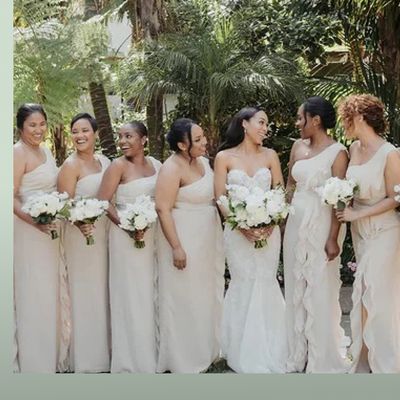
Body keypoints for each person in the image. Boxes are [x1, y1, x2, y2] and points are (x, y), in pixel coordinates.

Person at [214, 106, 287, 373]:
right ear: (244, 124)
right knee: (244, 281)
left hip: (269, 232)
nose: (265, 128)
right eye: (261, 122)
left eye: (266, 124)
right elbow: (220, 197)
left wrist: (271, 222)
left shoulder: (271, 155)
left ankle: (274, 346)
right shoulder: (223, 157)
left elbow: (279, 191)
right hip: (236, 232)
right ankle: (238, 348)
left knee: (265, 281)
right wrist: (240, 224)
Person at [283, 96, 350, 373]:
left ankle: (322, 356)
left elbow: (341, 199)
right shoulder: (297, 147)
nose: (298, 123)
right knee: (295, 284)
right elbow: (289, 185)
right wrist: (282, 217)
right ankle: (297, 353)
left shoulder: (338, 152)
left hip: (323, 223)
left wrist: (333, 237)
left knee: (320, 286)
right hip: (296, 220)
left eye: (301, 118)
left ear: (316, 120)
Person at [155, 118, 225, 373]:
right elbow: (163, 208)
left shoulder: (204, 163)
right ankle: (183, 357)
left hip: (207, 237)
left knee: (205, 294)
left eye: (203, 136)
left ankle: (207, 349)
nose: (205, 141)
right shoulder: (171, 168)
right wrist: (176, 247)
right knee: (184, 296)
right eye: (198, 139)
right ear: (183, 145)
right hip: (183, 236)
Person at [336, 94, 400, 373]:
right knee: (364, 294)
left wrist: (358, 214)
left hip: (384, 231)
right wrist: (342, 200)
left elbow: (396, 198)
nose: (344, 124)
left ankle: (385, 361)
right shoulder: (353, 149)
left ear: (359, 117)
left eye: (346, 118)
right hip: (360, 232)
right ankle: (363, 358)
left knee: (375, 292)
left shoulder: (389, 153)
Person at [97, 121, 160, 373]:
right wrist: (127, 226)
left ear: (143, 139)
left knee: (150, 290)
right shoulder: (117, 166)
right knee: (131, 294)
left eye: (129, 136)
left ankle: (154, 352)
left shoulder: (156, 165)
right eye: (120, 136)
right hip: (125, 237)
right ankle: (132, 360)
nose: (122, 141)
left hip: (152, 235)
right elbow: (103, 201)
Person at [57, 113, 111, 372]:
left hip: (104, 233)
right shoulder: (70, 166)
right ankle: (87, 358)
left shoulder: (105, 161)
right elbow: (63, 204)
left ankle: (107, 352)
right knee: (85, 291)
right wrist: (79, 221)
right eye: (75, 131)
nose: (79, 136)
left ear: (95, 133)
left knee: (104, 289)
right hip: (80, 235)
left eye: (85, 130)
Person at [13, 103, 63, 372]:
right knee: (31, 288)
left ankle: (50, 354)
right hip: (27, 229)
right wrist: (34, 222)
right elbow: (9, 197)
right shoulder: (17, 153)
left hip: (48, 229)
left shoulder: (45, 151)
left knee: (47, 289)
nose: (38, 129)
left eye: (42, 124)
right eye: (32, 125)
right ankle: (33, 360)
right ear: (21, 126)